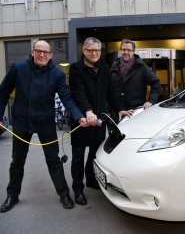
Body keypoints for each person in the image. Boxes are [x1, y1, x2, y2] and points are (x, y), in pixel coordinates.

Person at [0, 40, 88, 212]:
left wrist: (78, 116)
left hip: (45, 122)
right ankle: (12, 195)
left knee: (53, 160)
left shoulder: (57, 74)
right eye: (38, 51)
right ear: (32, 52)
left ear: (50, 55)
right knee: (17, 161)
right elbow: (3, 93)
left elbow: (66, 98)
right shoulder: (18, 68)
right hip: (21, 122)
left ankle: (63, 194)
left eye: (45, 52)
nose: (42, 55)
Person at [69, 37, 132, 206]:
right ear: (84, 51)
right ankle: (77, 188)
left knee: (94, 154)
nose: (94, 53)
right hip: (83, 119)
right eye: (90, 50)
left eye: (97, 50)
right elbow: (78, 93)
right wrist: (87, 111)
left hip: (99, 120)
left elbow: (110, 92)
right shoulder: (76, 68)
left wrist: (119, 109)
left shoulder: (104, 67)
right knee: (78, 156)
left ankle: (90, 180)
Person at [107, 38, 161, 120]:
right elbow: (108, 91)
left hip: (135, 114)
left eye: (129, 50)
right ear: (120, 50)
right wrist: (107, 109)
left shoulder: (142, 67)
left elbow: (156, 83)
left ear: (133, 51)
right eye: (124, 49)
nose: (126, 52)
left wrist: (151, 101)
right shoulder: (113, 68)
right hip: (117, 114)